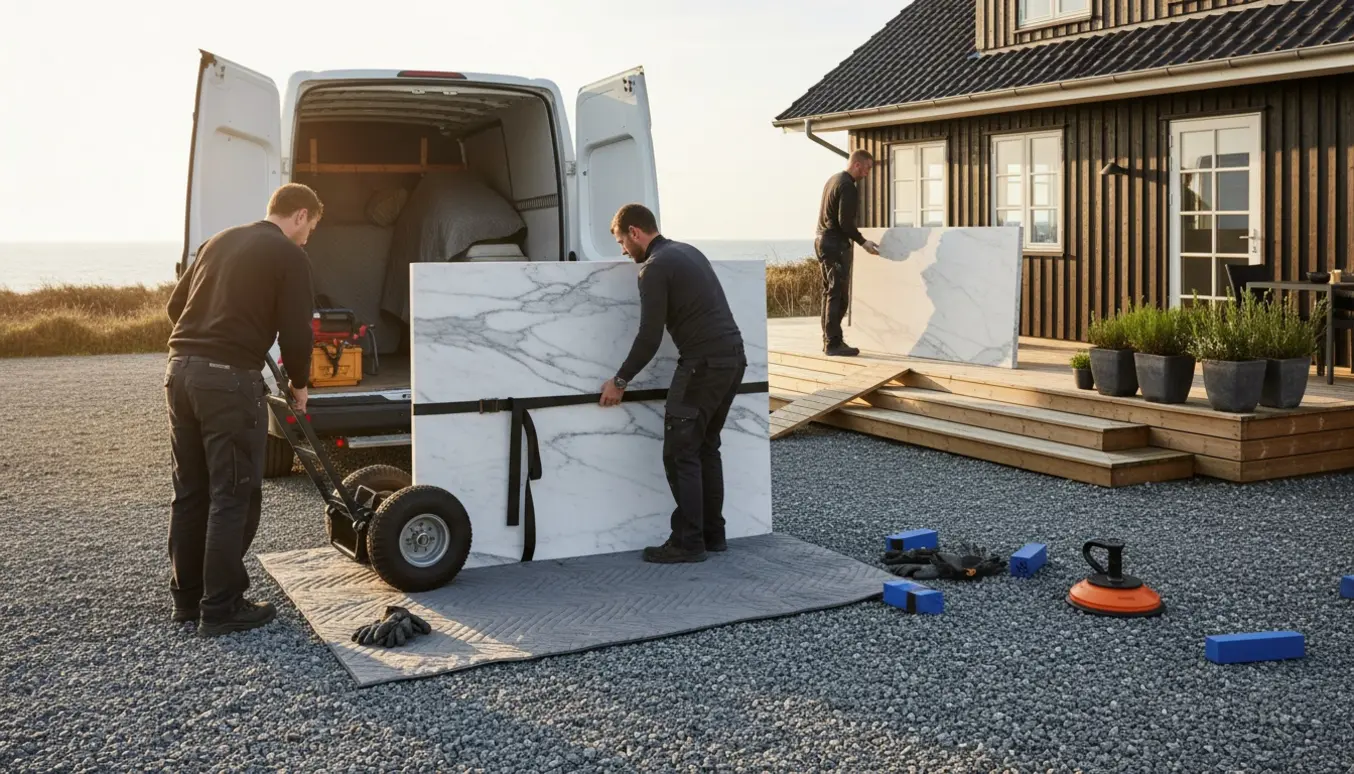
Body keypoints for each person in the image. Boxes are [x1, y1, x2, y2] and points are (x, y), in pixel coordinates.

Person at [163, 183, 322, 636]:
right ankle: (222, 606)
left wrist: (208, 339)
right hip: (228, 381)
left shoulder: (219, 240)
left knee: (191, 489)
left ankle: (188, 598)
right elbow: (297, 331)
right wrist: (299, 383)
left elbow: (176, 306)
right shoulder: (289, 255)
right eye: (309, 227)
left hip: (180, 372)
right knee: (233, 493)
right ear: (300, 215)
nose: (308, 237)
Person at [600, 203, 746, 564]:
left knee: (680, 453)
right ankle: (714, 535)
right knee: (706, 447)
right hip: (734, 359)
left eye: (621, 241)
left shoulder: (653, 268)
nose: (622, 250)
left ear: (635, 233)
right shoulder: (688, 251)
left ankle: (688, 542)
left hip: (703, 365)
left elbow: (649, 337)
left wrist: (620, 380)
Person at [815, 149, 880, 357]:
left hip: (822, 241)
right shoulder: (847, 186)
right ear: (857, 164)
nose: (867, 173)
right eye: (867, 168)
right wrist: (863, 242)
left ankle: (830, 340)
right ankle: (833, 343)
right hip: (835, 244)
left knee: (830, 293)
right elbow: (845, 222)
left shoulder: (832, 180)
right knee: (838, 295)